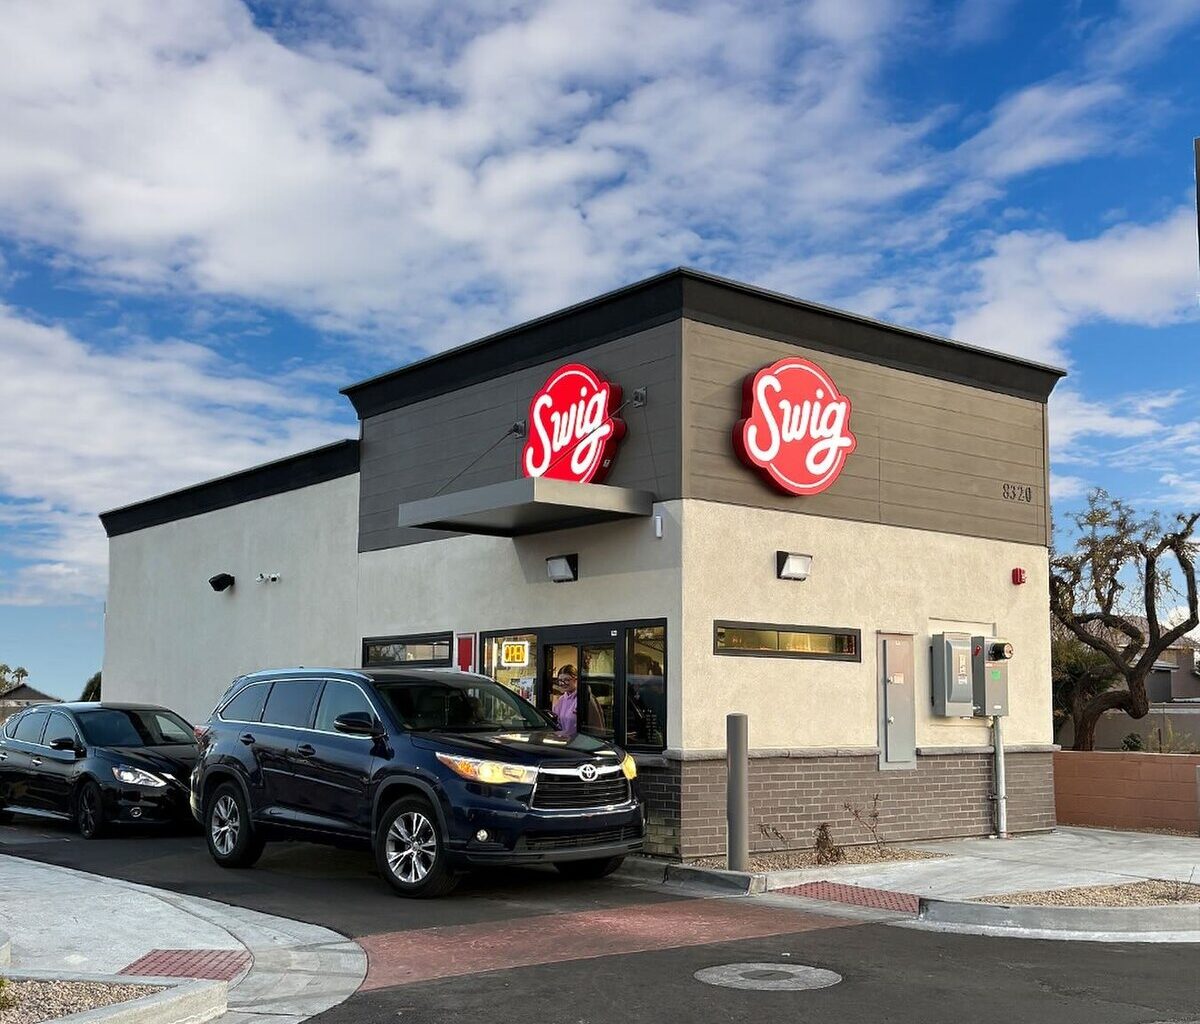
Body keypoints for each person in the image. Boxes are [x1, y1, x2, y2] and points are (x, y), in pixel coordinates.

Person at [551, 665, 604, 737]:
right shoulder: (561, 700)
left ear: (576, 679)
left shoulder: (585, 699)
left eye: (567, 680)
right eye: (560, 680)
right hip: (565, 743)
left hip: (581, 743)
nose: (563, 683)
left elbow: (596, 727)